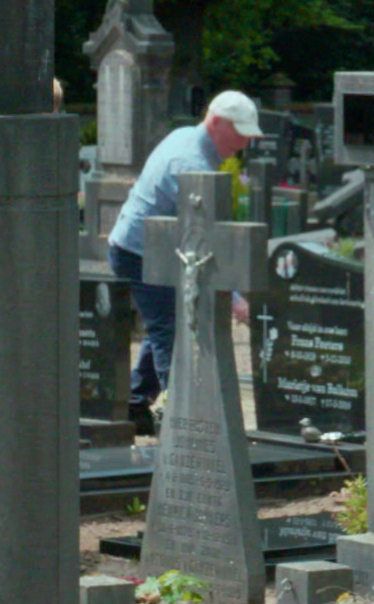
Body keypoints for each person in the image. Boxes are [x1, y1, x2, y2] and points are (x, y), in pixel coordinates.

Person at [108, 90, 263, 433]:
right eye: (240, 133)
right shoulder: (191, 164)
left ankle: (135, 401)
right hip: (139, 253)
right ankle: (184, 422)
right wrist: (235, 298)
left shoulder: (185, 138)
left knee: (166, 323)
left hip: (145, 246)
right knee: (170, 332)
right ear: (216, 121)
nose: (244, 144)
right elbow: (203, 238)